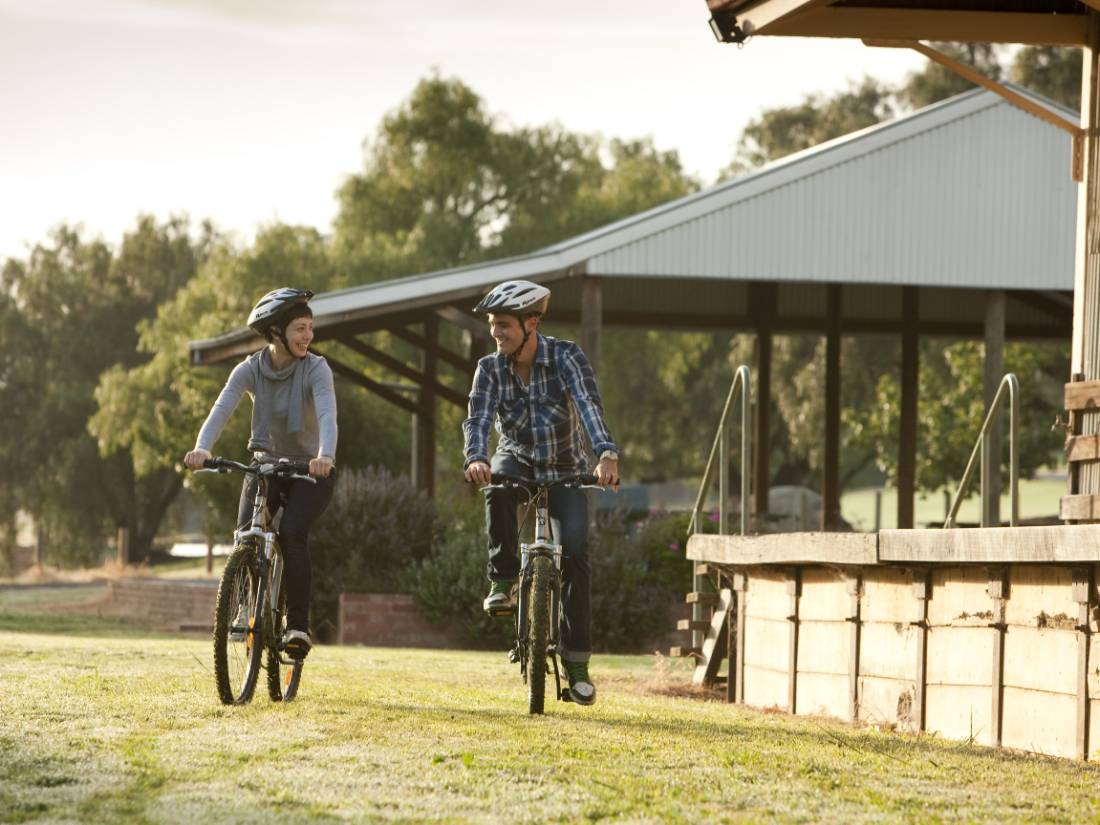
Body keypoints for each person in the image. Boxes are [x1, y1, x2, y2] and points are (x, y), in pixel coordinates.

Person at [462, 279, 620, 706]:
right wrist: (476, 457)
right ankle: (503, 579)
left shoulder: (566, 356)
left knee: (576, 553)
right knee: (497, 487)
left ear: (531, 323)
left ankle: (577, 664)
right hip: (516, 457)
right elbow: (478, 419)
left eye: (504, 325)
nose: (496, 333)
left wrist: (605, 455)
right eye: (493, 325)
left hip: (566, 466)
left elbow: (587, 404)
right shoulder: (489, 368)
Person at [183, 287, 337, 660]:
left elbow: (327, 414)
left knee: (292, 533)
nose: (309, 336)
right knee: (245, 534)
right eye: (300, 328)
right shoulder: (250, 369)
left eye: (310, 328)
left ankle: (297, 626)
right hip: (266, 463)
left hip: (310, 469)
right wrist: (202, 448)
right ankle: (243, 607)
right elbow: (222, 408)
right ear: (276, 332)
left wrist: (325, 455)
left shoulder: (316, 368)